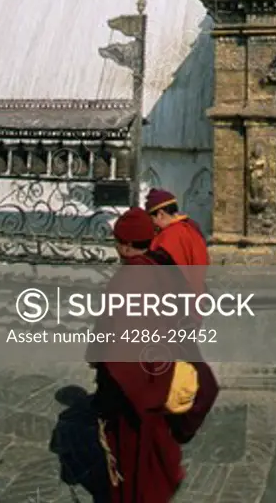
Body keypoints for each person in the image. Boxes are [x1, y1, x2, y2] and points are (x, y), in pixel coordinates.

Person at [91, 208, 218, 503]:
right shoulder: (164, 264)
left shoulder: (127, 280)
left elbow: (115, 336)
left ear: (123, 245)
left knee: (134, 450)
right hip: (165, 366)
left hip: (137, 381)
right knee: (157, 442)